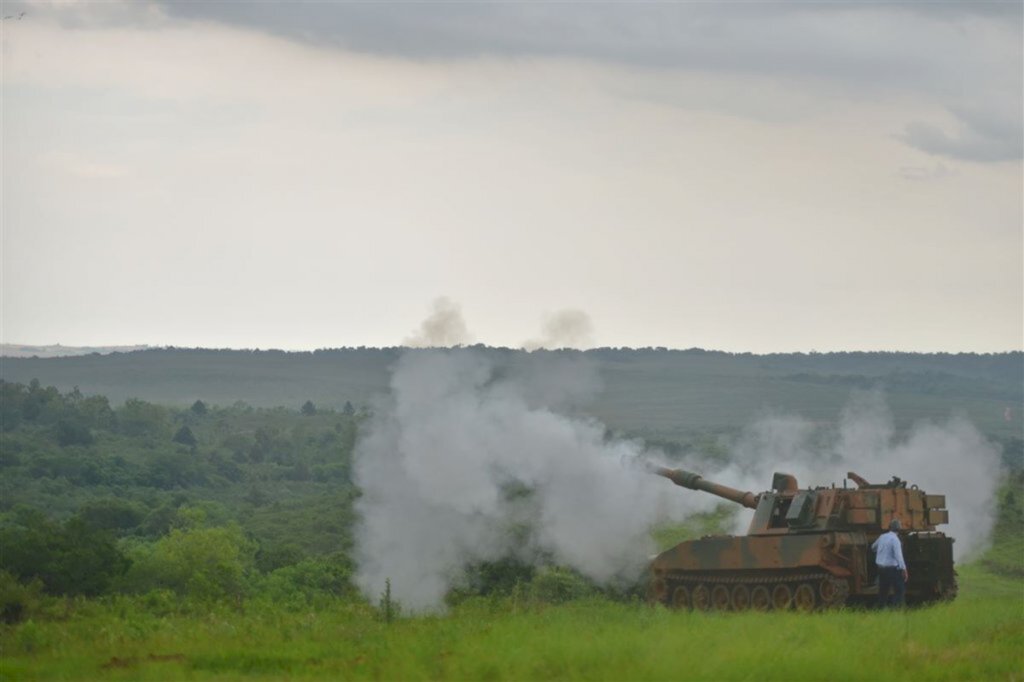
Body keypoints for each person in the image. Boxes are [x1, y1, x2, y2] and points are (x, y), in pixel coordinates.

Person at [872, 518, 908, 607]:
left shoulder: (882, 537)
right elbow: (898, 556)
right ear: (899, 529)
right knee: (899, 590)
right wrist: (904, 569)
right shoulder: (895, 540)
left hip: (881, 569)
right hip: (892, 570)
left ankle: (881, 608)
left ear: (889, 528)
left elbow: (873, 547)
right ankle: (896, 608)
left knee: (883, 591)